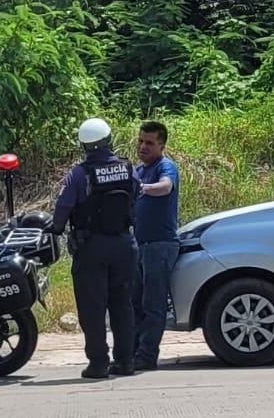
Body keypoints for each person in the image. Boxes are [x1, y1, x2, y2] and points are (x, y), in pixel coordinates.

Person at [52, 117, 138, 381]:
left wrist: (55, 229)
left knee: (93, 307)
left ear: (84, 145)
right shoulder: (127, 167)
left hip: (91, 247)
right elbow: (138, 194)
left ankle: (98, 364)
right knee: (123, 304)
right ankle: (125, 362)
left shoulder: (79, 174)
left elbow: (63, 207)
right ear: (108, 140)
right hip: (125, 244)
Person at [132, 119, 180, 372]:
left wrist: (143, 188)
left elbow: (165, 187)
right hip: (139, 246)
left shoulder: (166, 166)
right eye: (140, 141)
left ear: (162, 145)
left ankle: (147, 356)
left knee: (153, 304)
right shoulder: (138, 170)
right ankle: (133, 351)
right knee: (134, 303)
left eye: (149, 143)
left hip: (160, 245)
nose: (143, 146)